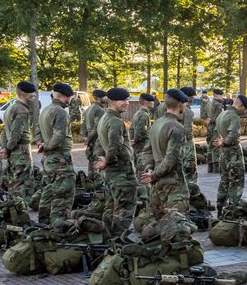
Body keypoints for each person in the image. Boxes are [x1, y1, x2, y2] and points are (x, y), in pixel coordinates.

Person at [141, 88, 190, 220]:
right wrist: (153, 175)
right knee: (177, 225)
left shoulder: (156, 124)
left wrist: (150, 170)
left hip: (157, 181)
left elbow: (146, 151)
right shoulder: (176, 127)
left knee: (158, 221)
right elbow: (170, 160)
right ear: (180, 104)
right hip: (173, 182)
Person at [96, 87, 136, 234]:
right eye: (123, 100)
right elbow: (114, 147)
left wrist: (102, 158)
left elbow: (99, 143)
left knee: (111, 207)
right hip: (121, 172)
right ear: (112, 101)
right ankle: (118, 241)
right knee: (124, 208)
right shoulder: (114, 121)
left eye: (127, 100)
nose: (127, 103)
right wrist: (106, 160)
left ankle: (107, 238)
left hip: (112, 172)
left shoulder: (105, 118)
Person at [38, 84, 77, 226]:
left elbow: (38, 131)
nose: (70, 100)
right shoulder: (60, 112)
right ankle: (59, 224)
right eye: (70, 97)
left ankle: (43, 221)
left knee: (48, 190)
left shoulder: (46, 110)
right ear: (63, 96)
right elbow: (59, 136)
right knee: (64, 192)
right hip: (60, 157)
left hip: (49, 159)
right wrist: (47, 147)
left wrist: (41, 145)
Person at [0, 81, 36, 206]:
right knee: (23, 181)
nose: (34, 98)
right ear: (25, 94)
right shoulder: (22, 110)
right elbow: (16, 133)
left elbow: (5, 132)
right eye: (32, 96)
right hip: (21, 150)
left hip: (13, 150)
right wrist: (8, 149)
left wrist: (5, 148)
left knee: (13, 180)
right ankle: (21, 209)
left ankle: (12, 207)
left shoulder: (10, 108)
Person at [213, 94, 247, 214]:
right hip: (233, 153)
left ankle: (220, 208)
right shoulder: (234, 117)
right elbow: (232, 135)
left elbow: (217, 134)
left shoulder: (222, 114)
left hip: (223, 154)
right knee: (236, 182)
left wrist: (221, 141)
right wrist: (226, 141)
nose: (244, 111)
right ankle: (232, 211)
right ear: (241, 105)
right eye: (244, 108)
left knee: (224, 181)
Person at [81, 89, 107, 180]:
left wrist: (85, 137)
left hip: (91, 140)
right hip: (96, 140)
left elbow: (83, 126)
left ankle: (90, 186)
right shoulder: (99, 110)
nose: (106, 98)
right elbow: (97, 128)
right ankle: (97, 189)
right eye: (105, 96)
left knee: (91, 163)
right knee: (98, 165)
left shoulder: (88, 109)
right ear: (100, 98)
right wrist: (89, 139)